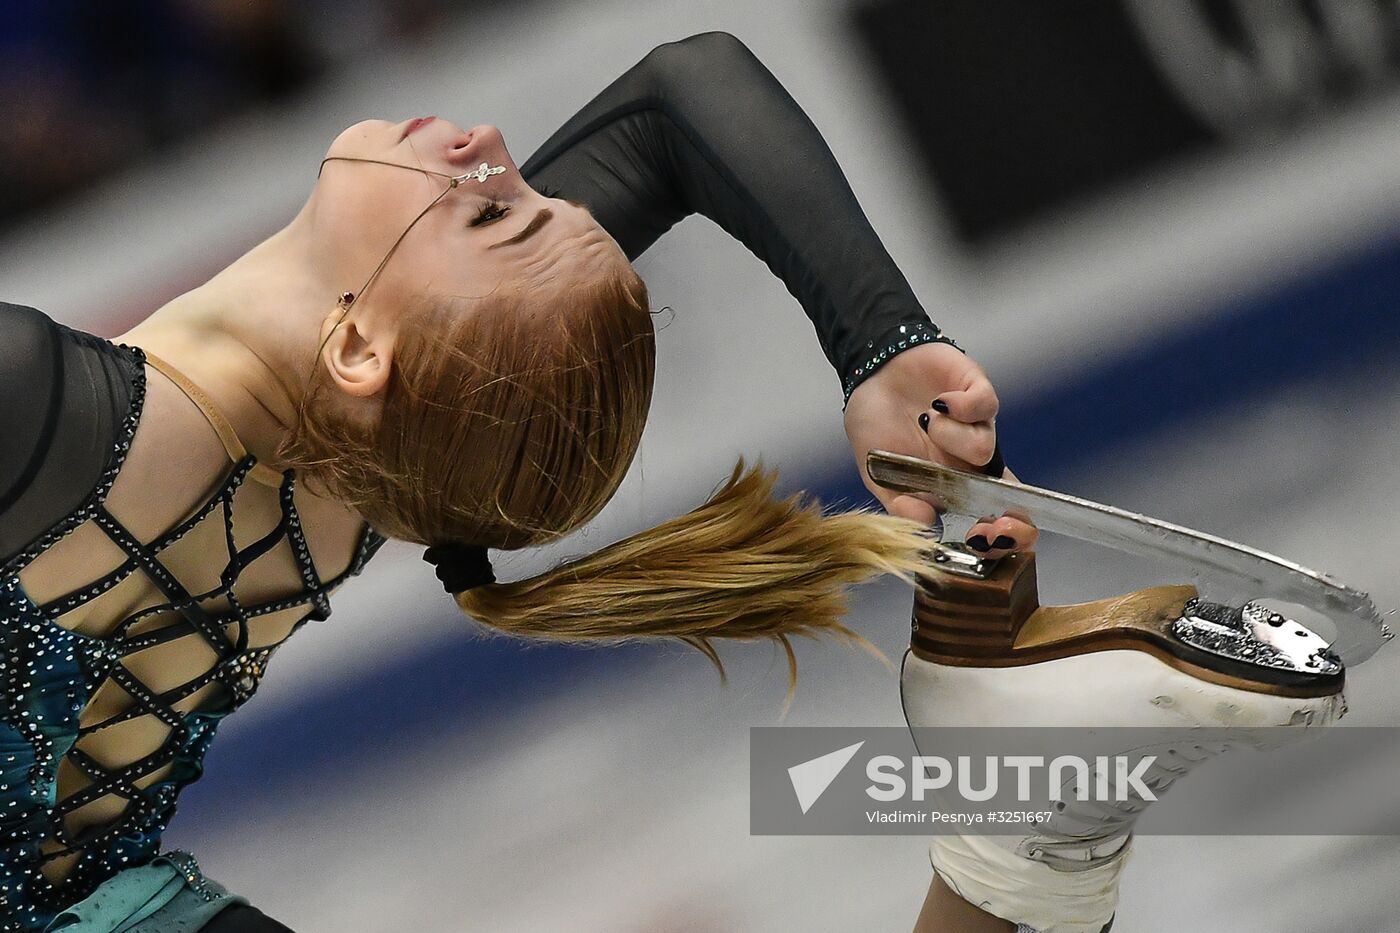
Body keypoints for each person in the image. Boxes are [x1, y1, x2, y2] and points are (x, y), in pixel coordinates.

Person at [0, 31, 1037, 932]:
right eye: (536, 197)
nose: (492, 153)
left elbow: (681, 100)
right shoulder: (393, 465)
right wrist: (882, 344)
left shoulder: (42, 410)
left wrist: (875, 344)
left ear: (360, 346)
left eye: (493, 216)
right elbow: (678, 104)